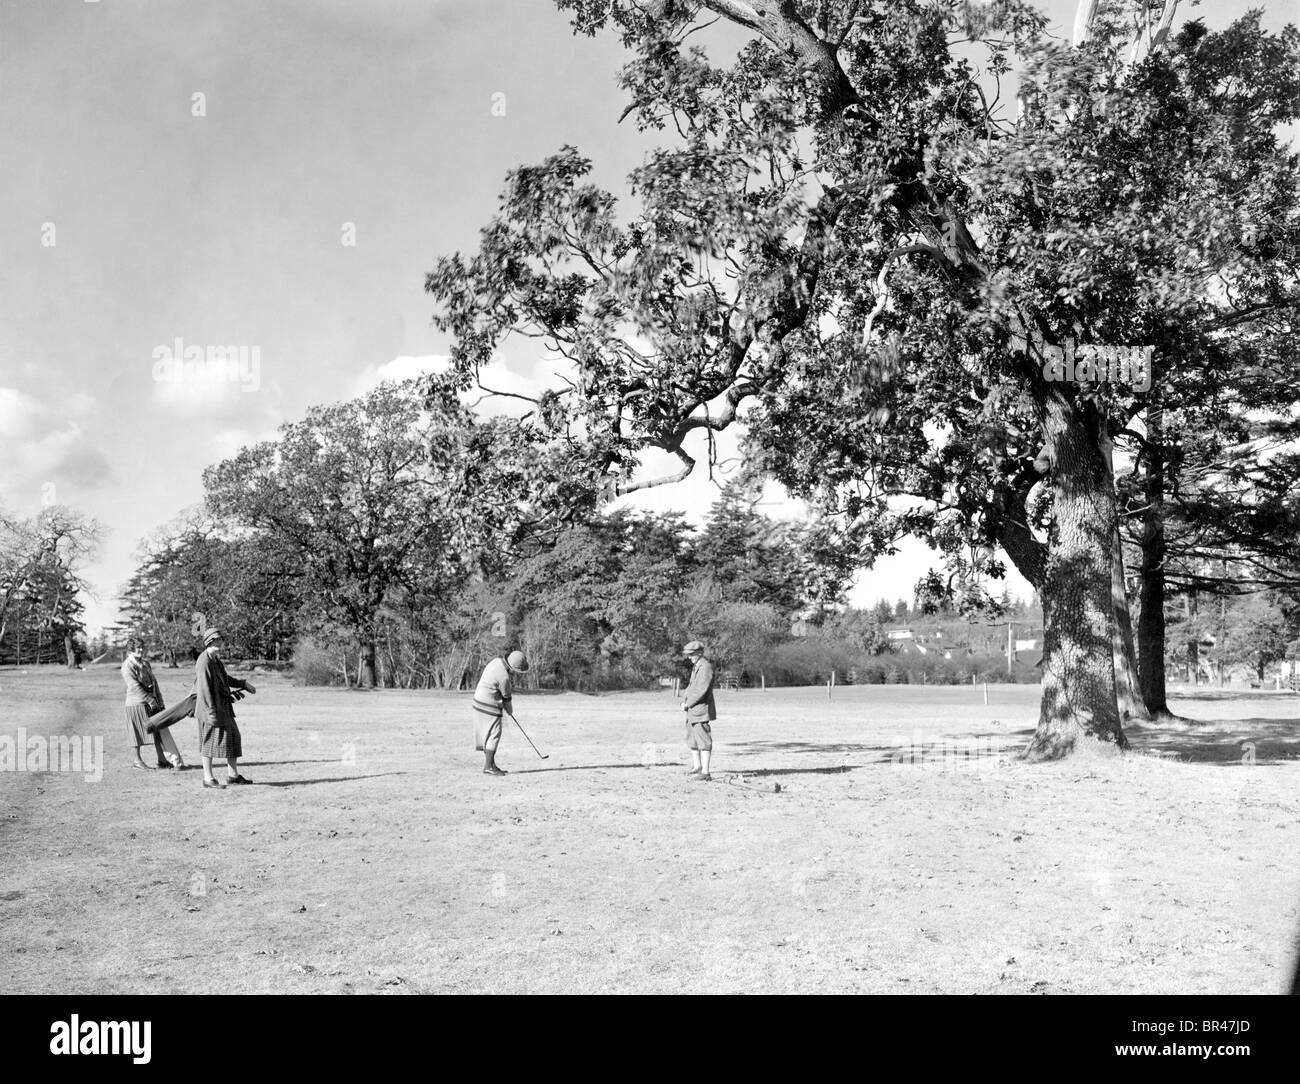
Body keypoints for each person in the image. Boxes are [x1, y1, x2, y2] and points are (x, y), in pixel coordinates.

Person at [194, 627, 256, 789]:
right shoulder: (204, 661)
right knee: (208, 743)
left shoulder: (215, 659)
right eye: (216, 640)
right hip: (210, 710)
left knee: (234, 737)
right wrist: (211, 712)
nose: (220, 643)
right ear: (209, 641)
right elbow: (204, 689)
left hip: (223, 707)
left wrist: (243, 684)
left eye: (221, 640)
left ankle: (233, 776)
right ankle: (208, 778)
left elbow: (225, 678)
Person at [121, 636, 185, 771]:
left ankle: (162, 760)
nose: (141, 649)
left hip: (152, 704)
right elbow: (134, 687)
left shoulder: (145, 663)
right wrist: (150, 700)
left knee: (157, 731)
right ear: (131, 649)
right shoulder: (127, 665)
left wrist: (159, 702)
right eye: (138, 647)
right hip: (135, 704)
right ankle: (137, 760)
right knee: (136, 733)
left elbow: (154, 683)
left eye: (142, 647)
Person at [473, 650, 529, 776]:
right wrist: (510, 711)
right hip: (489, 704)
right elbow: (507, 699)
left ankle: (491, 764)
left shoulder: (496, 661)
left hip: (478, 701)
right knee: (494, 734)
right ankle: (488, 767)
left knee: (487, 734)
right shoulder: (504, 677)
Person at [680, 640, 717, 781]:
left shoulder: (705, 667)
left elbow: (701, 689)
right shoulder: (697, 666)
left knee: (703, 740)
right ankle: (697, 767)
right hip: (692, 709)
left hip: (700, 709)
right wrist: (684, 700)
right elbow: (691, 687)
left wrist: (687, 703)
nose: (689, 657)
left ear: (700, 653)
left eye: (691, 654)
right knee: (692, 739)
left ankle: (706, 773)